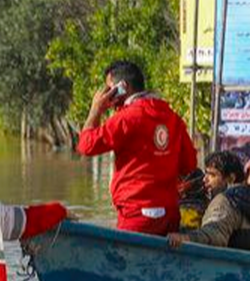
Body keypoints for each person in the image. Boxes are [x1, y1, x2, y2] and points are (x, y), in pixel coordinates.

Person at [77, 60, 197, 235]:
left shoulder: (127, 118)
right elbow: (189, 164)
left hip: (135, 216)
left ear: (122, 87)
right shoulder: (172, 117)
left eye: (110, 89)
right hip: (169, 216)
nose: (107, 94)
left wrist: (95, 110)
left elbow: (86, 145)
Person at [167, 183, 250, 253]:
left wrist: (187, 238)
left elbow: (215, 234)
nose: (205, 180)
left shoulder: (226, 202)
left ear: (229, 178)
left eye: (212, 174)